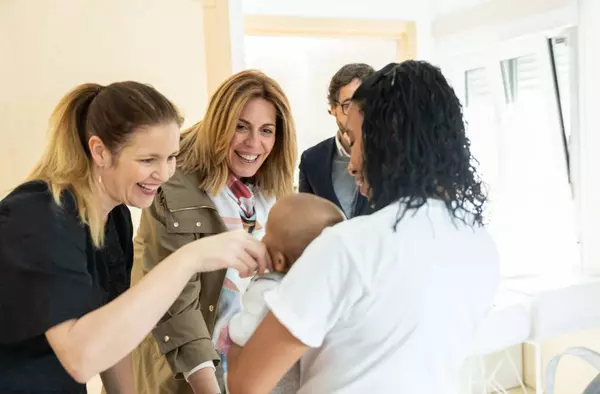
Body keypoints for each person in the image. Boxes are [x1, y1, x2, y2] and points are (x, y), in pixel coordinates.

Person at [227, 61, 501, 394]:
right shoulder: (479, 243)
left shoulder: (348, 246)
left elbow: (245, 383)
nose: (352, 164)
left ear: (388, 140)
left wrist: (258, 297)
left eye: (355, 142)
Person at [0, 82, 269, 394]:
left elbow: (114, 337)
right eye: (148, 160)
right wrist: (190, 258)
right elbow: (81, 358)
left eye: (171, 158)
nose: (165, 174)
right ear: (99, 151)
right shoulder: (39, 216)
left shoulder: (115, 217)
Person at [129, 70, 297, 394]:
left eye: (267, 131)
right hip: (185, 374)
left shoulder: (276, 191)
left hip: (247, 371)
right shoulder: (174, 188)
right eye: (241, 126)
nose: (253, 143)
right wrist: (209, 389)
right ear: (220, 124)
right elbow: (176, 303)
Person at [227, 193, 345, 394]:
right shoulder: (331, 294)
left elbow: (239, 334)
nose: (261, 239)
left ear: (279, 261)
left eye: (266, 233)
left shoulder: (266, 290)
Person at [298, 63, 374, 219]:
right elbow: (304, 223)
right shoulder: (312, 160)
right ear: (333, 108)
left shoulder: (393, 156)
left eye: (365, 105)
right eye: (348, 105)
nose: (357, 114)